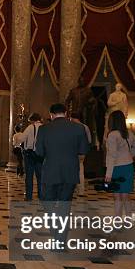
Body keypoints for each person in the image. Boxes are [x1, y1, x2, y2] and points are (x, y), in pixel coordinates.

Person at [35, 103, 89, 243]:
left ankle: (55, 231)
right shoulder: (79, 128)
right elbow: (83, 150)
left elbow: (39, 152)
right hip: (70, 171)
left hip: (50, 171)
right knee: (65, 205)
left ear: (51, 114)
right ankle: (61, 239)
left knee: (48, 203)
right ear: (66, 113)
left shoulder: (43, 129)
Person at [105, 110, 135, 220]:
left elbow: (112, 155)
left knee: (117, 197)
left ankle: (117, 221)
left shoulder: (112, 135)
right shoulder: (129, 133)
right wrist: (129, 155)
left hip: (117, 168)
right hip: (128, 167)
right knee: (125, 196)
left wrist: (108, 174)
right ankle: (129, 219)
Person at [18, 113, 43, 200]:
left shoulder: (30, 127)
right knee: (40, 176)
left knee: (29, 176)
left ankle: (29, 196)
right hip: (40, 155)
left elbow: (22, 139)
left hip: (29, 154)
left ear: (32, 120)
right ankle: (41, 194)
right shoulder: (44, 127)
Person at [70, 112, 92, 196]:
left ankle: (73, 190)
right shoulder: (85, 127)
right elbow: (89, 140)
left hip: (72, 152)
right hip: (82, 152)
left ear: (72, 118)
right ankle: (81, 190)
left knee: (72, 171)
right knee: (80, 171)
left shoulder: (71, 126)